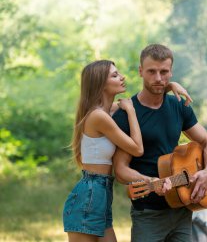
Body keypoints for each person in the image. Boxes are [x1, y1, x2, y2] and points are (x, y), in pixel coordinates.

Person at [62, 59, 192, 242]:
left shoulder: (108, 111)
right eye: (114, 75)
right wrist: (131, 112)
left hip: (101, 193)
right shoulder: (98, 116)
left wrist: (170, 85)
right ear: (100, 83)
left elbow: (144, 99)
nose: (122, 77)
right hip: (89, 195)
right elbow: (138, 149)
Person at [112, 44, 207, 241]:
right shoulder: (128, 113)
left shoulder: (179, 105)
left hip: (182, 207)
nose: (158, 78)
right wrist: (150, 182)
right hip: (149, 213)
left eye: (164, 72)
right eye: (152, 71)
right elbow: (120, 169)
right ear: (140, 71)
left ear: (171, 72)